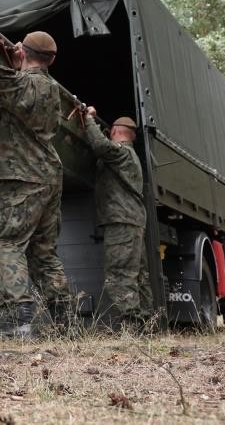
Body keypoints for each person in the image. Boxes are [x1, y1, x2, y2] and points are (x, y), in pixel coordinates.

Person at [0, 18, 69, 338]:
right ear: (51, 60)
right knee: (44, 253)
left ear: (24, 52)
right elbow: (24, 86)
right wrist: (19, 64)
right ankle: (64, 320)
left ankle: (18, 321)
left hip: (22, 177)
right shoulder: (52, 89)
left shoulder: (21, 84)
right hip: (50, 177)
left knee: (6, 244)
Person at [83, 108, 153, 328]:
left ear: (114, 131)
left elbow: (100, 147)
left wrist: (88, 119)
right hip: (132, 221)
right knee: (138, 275)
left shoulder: (122, 152)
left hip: (122, 221)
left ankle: (132, 325)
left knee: (120, 273)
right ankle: (147, 324)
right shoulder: (130, 155)